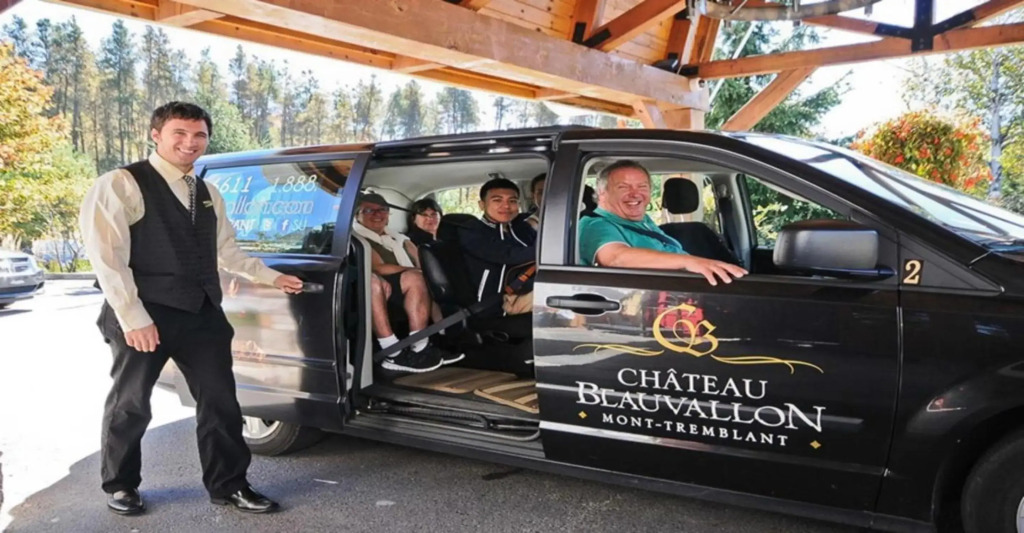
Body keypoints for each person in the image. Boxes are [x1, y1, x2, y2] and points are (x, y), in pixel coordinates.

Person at [80, 102, 304, 516]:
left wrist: (272, 277)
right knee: (131, 404)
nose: (190, 142)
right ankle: (121, 484)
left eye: (199, 135)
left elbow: (227, 252)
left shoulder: (207, 192)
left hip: (201, 312)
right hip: (144, 314)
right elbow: (107, 259)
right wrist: (134, 318)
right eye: (180, 133)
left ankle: (229, 485)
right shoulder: (121, 184)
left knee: (221, 402)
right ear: (156, 134)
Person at [578, 160, 748, 286]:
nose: (635, 194)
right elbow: (616, 258)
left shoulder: (641, 221)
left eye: (642, 187)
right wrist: (689, 262)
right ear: (602, 193)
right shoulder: (595, 225)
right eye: (623, 187)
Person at [352, 193, 463, 372]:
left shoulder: (400, 238)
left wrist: (427, 273)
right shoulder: (358, 238)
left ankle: (429, 342)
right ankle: (401, 349)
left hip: (407, 281)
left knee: (429, 279)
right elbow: (379, 267)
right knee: (418, 277)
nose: (377, 214)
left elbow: (422, 260)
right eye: (369, 210)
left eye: (382, 210)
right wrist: (416, 272)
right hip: (383, 284)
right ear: (358, 215)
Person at [457, 177, 537, 316]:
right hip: (493, 307)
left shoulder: (520, 229)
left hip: (525, 291)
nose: (506, 206)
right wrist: (549, 250)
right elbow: (507, 255)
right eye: (497, 200)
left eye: (512, 201)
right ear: (482, 205)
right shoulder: (472, 231)